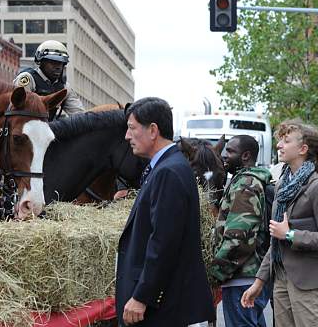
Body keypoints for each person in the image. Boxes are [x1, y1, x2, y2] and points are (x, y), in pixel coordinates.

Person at [116, 97, 215, 327]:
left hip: (161, 310)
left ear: (153, 130)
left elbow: (163, 242)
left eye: (132, 129)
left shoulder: (168, 172)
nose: (126, 136)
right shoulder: (167, 167)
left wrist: (142, 296)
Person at [241, 119, 318, 327]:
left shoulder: (317, 187)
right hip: (281, 278)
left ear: (303, 149)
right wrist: (259, 283)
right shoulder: (283, 186)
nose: (279, 145)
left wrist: (290, 235)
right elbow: (276, 239)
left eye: (286, 141)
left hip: (307, 280)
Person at [212, 135, 271, 326]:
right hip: (248, 278)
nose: (224, 156)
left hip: (242, 279)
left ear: (245, 155)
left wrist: (216, 272)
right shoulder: (247, 181)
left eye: (230, 151)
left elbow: (239, 237)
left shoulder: (245, 184)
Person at [13, 40, 84, 120]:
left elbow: (79, 115)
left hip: (47, 129)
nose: (58, 67)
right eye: (53, 62)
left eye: (61, 63)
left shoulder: (64, 87)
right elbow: (18, 109)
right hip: (23, 127)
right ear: (41, 62)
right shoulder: (27, 79)